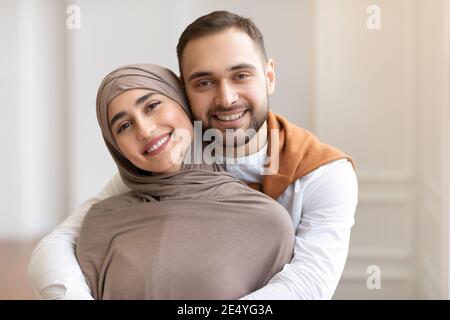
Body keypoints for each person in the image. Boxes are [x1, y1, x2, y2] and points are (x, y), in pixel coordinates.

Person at [28, 11, 358, 300]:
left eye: (241, 75)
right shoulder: (170, 158)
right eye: (204, 83)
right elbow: (59, 244)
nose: (227, 98)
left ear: (269, 76)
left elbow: (309, 284)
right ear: (183, 93)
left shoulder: (324, 173)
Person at [76, 63, 295, 299]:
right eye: (124, 126)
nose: (145, 130)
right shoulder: (100, 224)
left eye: (152, 106)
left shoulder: (266, 221)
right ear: (116, 148)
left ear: (183, 103)